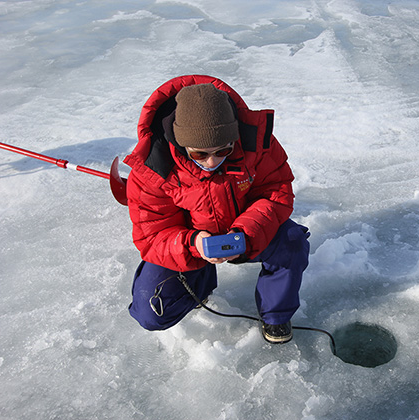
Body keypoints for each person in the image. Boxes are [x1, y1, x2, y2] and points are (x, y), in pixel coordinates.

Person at [123, 75, 309, 344]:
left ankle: (276, 314)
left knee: (292, 242)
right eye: (200, 154)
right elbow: (152, 235)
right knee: (150, 314)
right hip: (192, 241)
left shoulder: (256, 143)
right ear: (180, 142)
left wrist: (246, 232)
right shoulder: (152, 167)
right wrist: (193, 244)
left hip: (244, 233)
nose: (212, 161)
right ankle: (199, 283)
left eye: (223, 150)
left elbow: (276, 190)